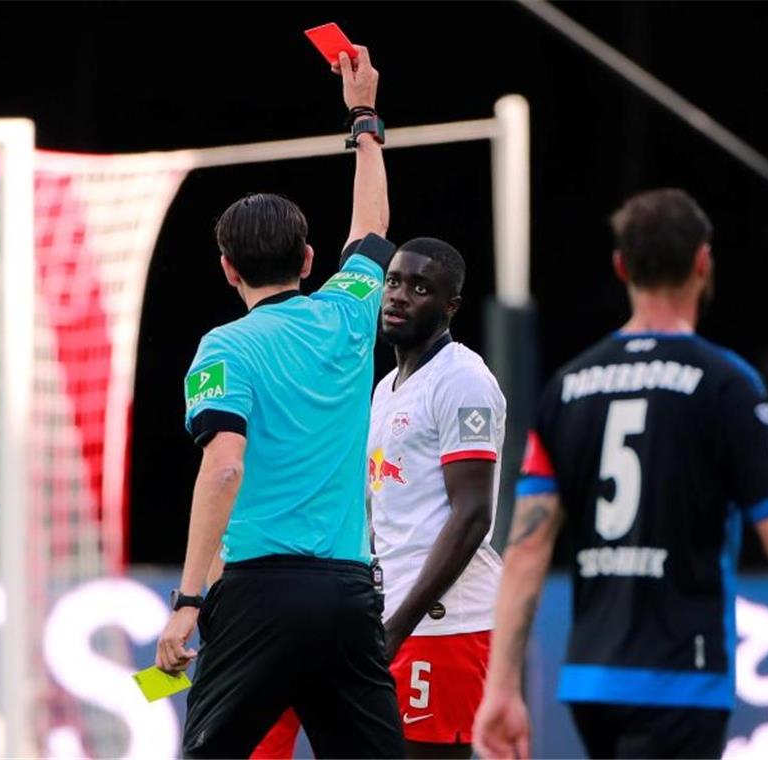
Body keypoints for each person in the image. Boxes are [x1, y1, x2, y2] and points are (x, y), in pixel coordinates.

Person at [472, 189, 768, 759]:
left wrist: (501, 687)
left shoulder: (567, 387)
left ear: (621, 266)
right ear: (703, 262)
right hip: (681, 677)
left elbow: (526, 551)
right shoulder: (725, 384)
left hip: (591, 679)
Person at [154, 45, 405, 759]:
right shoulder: (348, 313)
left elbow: (225, 468)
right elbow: (373, 229)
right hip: (348, 595)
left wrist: (188, 600)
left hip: (259, 593)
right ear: (306, 260)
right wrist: (364, 117)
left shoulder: (223, 349)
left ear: (228, 269)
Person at [251, 238, 507, 760]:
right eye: (392, 282)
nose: (397, 296)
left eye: (419, 288)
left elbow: (474, 513)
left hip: (443, 623)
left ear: (450, 306)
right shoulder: (385, 386)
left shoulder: (463, 378)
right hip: (387, 620)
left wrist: (397, 626)